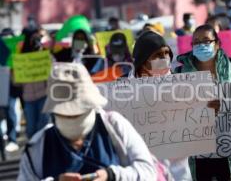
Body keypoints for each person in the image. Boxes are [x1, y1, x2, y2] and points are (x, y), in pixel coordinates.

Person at [18, 62, 157, 181]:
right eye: (65, 115)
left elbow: (148, 172)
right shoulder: (37, 147)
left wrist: (111, 175)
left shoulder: (114, 125)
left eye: (78, 113)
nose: (72, 119)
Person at [175, 25, 231, 181]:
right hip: (199, 147)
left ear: (217, 43)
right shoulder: (180, 73)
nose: (201, 45)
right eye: (196, 41)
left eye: (206, 40)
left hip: (230, 146)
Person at [127, 30, 192, 180]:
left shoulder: (184, 84)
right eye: (157, 55)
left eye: (166, 53)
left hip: (179, 169)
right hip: (144, 166)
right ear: (143, 60)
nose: (164, 58)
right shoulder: (122, 89)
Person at [21, 27, 49, 139]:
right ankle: (33, 152)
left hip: (43, 96)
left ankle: (43, 152)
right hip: (28, 99)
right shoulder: (21, 58)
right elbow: (17, 83)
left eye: (37, 39)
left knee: (43, 127)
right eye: (32, 39)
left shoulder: (45, 55)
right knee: (31, 129)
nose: (35, 42)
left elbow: (52, 73)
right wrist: (14, 73)